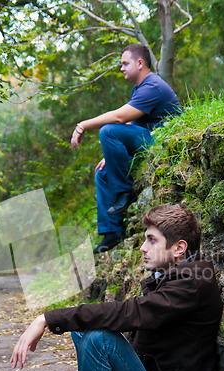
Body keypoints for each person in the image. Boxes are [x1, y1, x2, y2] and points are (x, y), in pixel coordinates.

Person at [11, 203, 223, 371]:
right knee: (85, 329)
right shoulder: (175, 277)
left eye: (151, 240)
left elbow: (131, 313)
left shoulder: (190, 285)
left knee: (100, 338)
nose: (142, 248)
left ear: (179, 248)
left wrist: (47, 319)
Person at [71, 44, 181, 254]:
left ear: (140, 63)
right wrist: (109, 156)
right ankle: (111, 231)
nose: (121, 68)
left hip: (163, 141)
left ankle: (124, 192)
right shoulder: (139, 88)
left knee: (108, 130)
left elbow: (120, 117)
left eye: (125, 63)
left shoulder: (152, 86)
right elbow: (133, 124)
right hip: (149, 137)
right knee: (102, 173)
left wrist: (83, 125)